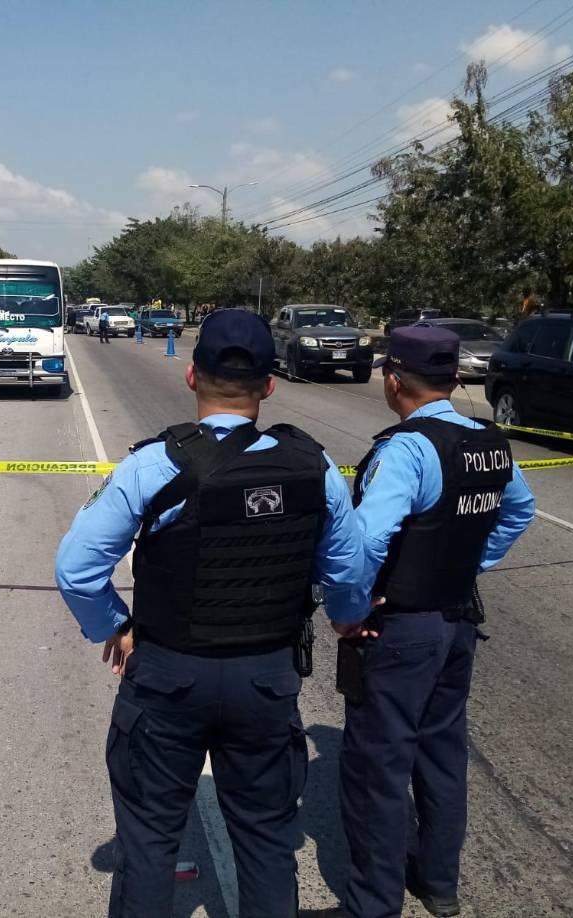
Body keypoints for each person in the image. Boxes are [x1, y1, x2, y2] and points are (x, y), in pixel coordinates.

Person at [55, 309, 368, 918]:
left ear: (192, 375)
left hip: (168, 677)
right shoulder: (315, 466)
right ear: (270, 385)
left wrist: (117, 626)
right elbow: (348, 573)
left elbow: (76, 569)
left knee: (149, 843)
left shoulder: (153, 464)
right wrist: (347, 618)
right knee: (267, 842)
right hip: (265, 680)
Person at [335, 326, 535, 918]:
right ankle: (439, 883)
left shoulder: (407, 449)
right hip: (458, 620)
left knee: (378, 768)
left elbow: (368, 541)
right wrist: (470, 562)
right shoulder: (488, 442)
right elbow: (520, 509)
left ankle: (373, 904)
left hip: (402, 628)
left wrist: (350, 611)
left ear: (394, 380)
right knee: (443, 755)